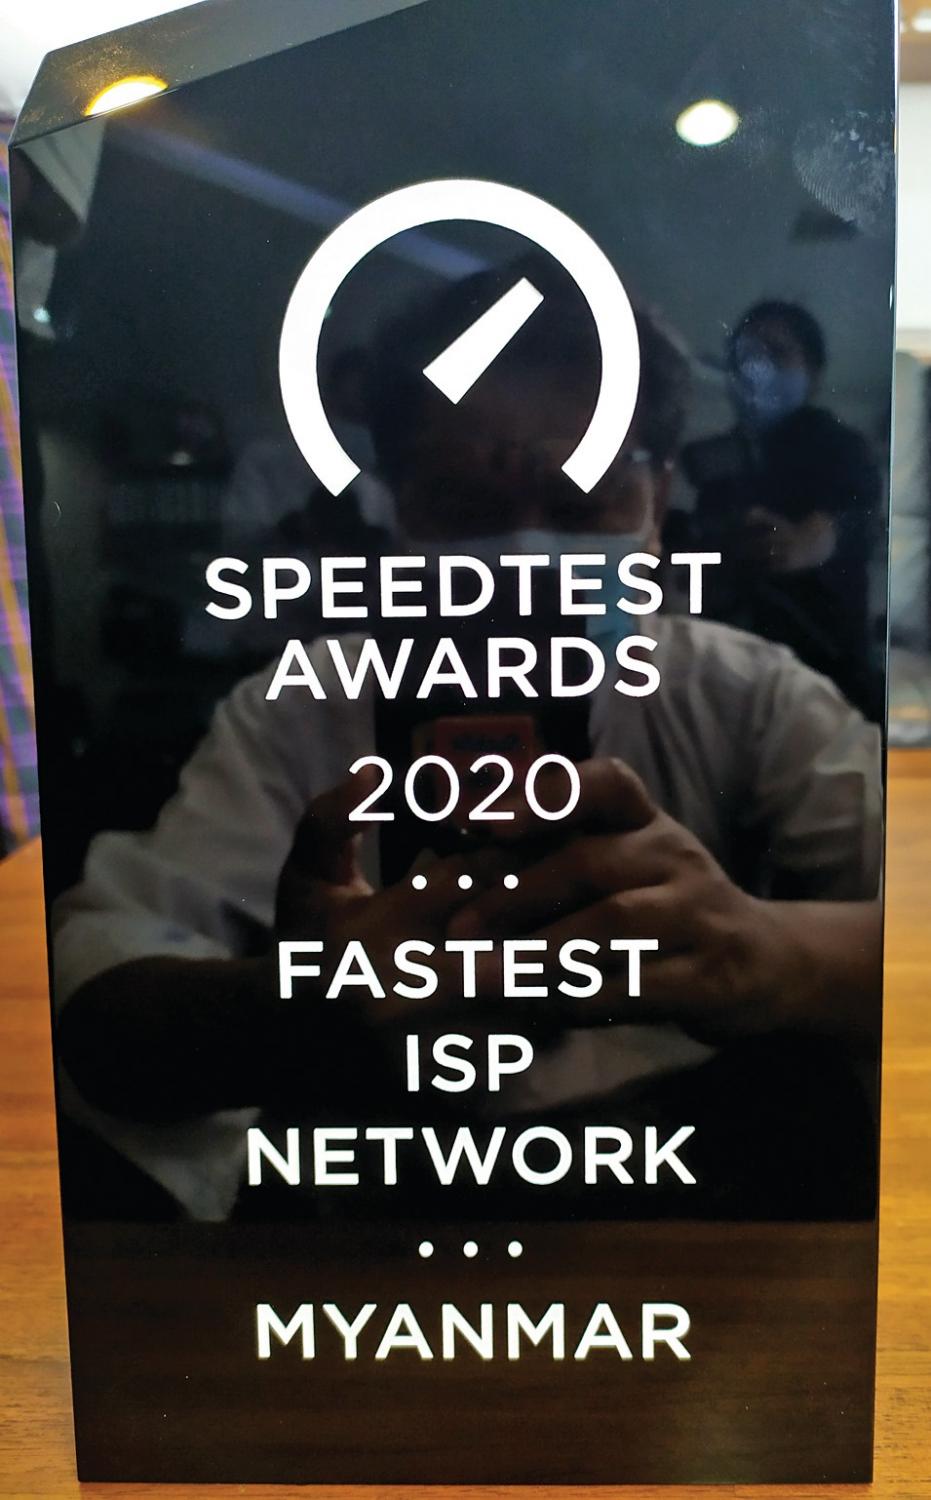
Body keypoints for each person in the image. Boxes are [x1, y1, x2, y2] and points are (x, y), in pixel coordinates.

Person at [51, 267, 882, 1224]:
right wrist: (291, 1012)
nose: (524, 559)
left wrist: (768, 954)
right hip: (374, 1219)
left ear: (655, 505)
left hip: (705, 1210)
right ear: (399, 513)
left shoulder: (749, 693)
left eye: (579, 507)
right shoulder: (303, 705)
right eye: (464, 506)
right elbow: (96, 991)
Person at [681, 300, 882, 716]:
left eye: (777, 352)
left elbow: (860, 517)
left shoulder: (840, 446)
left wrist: (816, 540)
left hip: (825, 684)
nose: (758, 366)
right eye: (747, 354)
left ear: (813, 373)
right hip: (729, 686)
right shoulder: (717, 465)